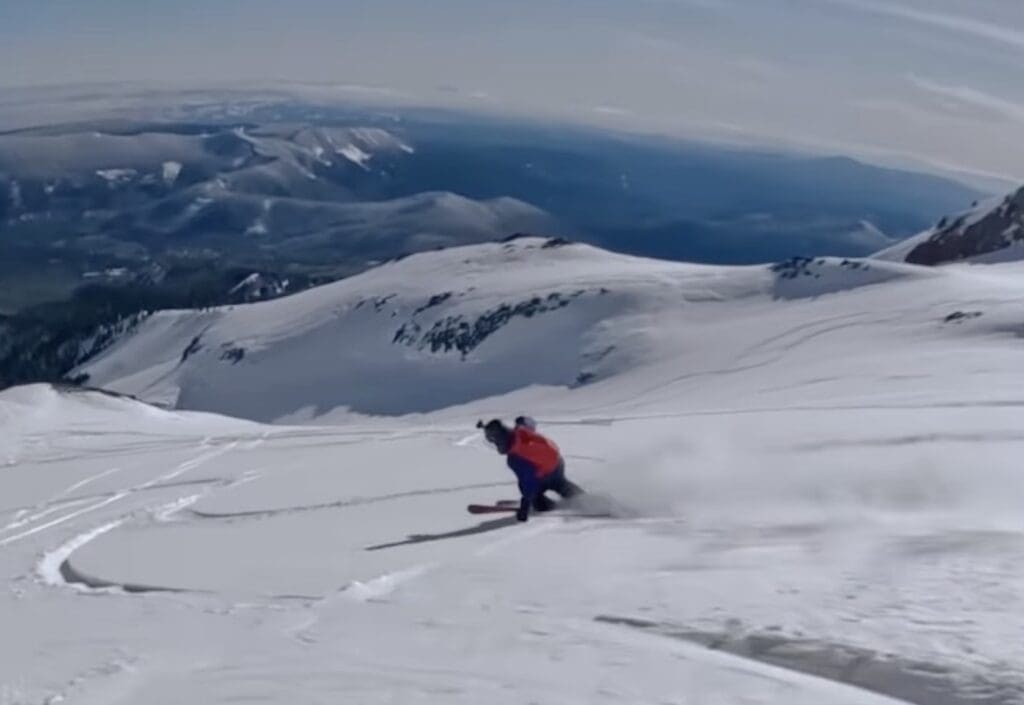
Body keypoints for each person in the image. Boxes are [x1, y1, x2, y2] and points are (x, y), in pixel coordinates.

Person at [477, 417, 583, 522]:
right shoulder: (521, 432)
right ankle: (582, 498)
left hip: (543, 477)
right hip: (557, 464)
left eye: (495, 442)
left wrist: (525, 505)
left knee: (530, 490)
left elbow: (528, 481)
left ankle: (547, 506)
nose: (496, 446)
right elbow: (528, 423)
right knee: (560, 484)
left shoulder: (515, 458)